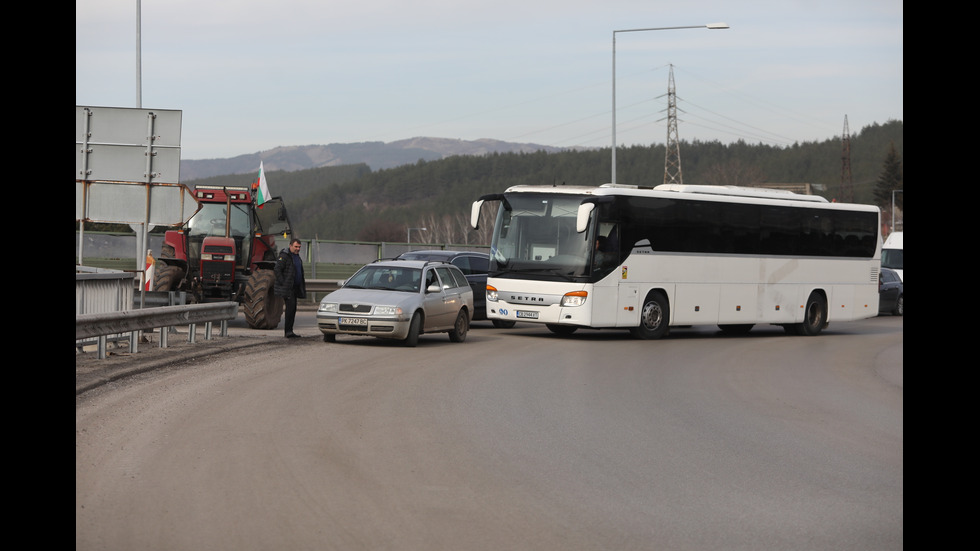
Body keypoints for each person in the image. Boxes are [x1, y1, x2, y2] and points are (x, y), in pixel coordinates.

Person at [274, 238, 307, 338]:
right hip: (288, 288)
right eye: (296, 247)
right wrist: (283, 283)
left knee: (293, 309)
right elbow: (277, 269)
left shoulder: (296, 257)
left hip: (295, 287)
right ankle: (288, 332)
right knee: (290, 309)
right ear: (290, 246)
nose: (298, 249)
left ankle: (290, 331)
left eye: (299, 247)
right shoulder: (284, 256)